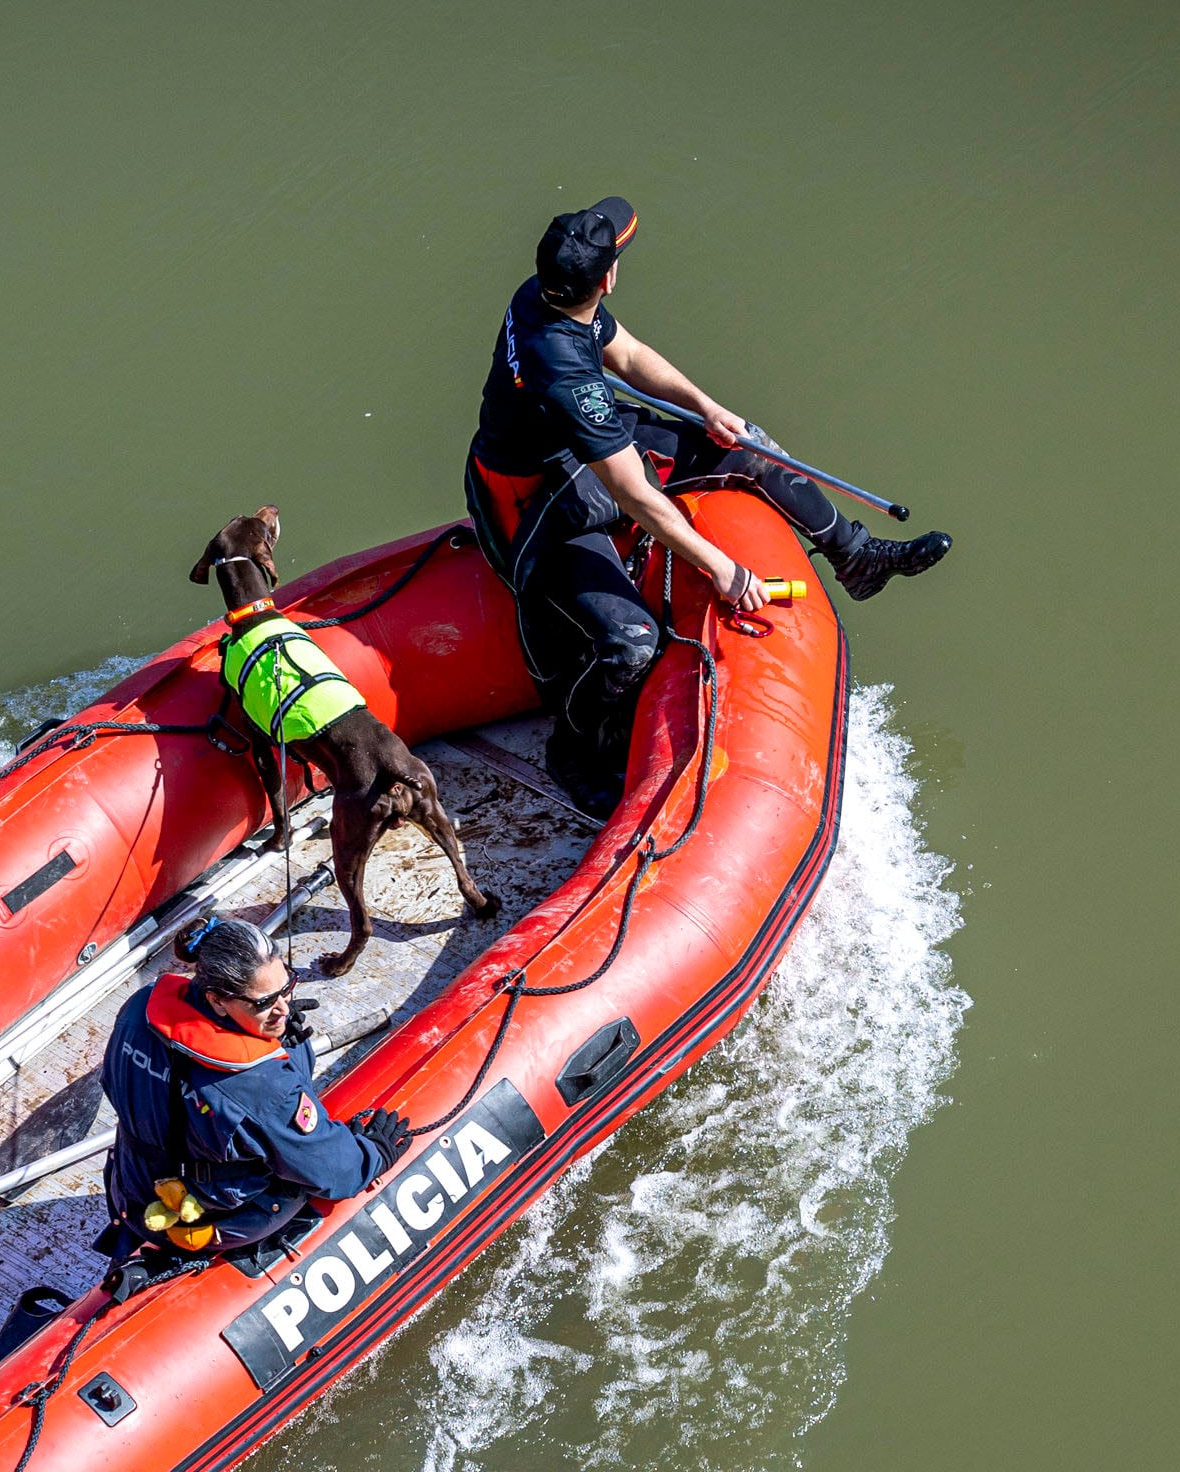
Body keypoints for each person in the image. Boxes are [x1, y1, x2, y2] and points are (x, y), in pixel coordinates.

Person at [465, 195, 953, 810]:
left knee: (748, 447)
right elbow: (632, 493)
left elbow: (629, 356)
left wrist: (707, 408)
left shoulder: (545, 293)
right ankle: (573, 748)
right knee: (632, 643)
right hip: (532, 503)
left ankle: (854, 556)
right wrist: (722, 568)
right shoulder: (564, 371)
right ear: (608, 278)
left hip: (573, 455)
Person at [99, 916, 409, 1257]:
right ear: (218, 1000)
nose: (283, 1008)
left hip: (132, 1182)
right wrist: (373, 1156)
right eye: (264, 1002)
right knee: (299, 1176)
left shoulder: (139, 1008)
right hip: (199, 1216)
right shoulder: (261, 1089)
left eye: (285, 989)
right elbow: (335, 1172)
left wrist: (281, 1040)